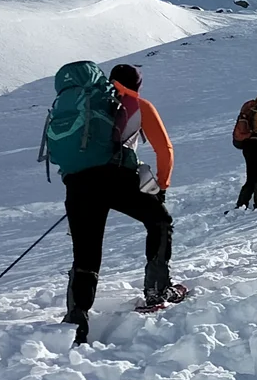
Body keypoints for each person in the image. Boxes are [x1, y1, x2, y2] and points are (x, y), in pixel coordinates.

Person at [61, 63, 175, 343]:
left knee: (86, 251)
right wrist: (161, 185)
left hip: (77, 183)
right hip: (118, 178)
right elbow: (164, 149)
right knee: (160, 222)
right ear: (136, 84)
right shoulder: (137, 104)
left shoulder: (84, 102)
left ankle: (77, 317)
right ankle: (157, 290)